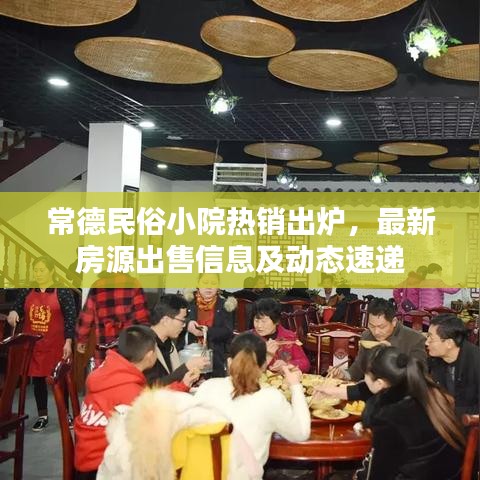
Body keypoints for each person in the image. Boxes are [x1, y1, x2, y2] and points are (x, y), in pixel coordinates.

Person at [194, 332, 310, 477]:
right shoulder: (270, 397)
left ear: (229, 362)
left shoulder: (207, 387)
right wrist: (295, 386)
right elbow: (301, 433)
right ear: (264, 365)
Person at [351, 346, 464, 480]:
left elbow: (377, 474)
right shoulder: (433, 394)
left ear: (380, 383)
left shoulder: (389, 418)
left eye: (364, 375)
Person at [74, 325, 157, 480]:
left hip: (84, 461)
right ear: (150, 355)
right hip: (102, 469)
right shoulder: (130, 391)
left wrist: (182, 385)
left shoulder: (106, 372)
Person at [7, 256, 77, 432]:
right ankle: (42, 416)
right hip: (35, 345)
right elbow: (17, 307)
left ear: (51, 271)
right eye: (36, 270)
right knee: (38, 380)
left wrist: (68, 342)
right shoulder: (28, 289)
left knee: (60, 380)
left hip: (56, 344)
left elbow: (70, 319)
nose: (38, 274)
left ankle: (66, 413)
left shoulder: (62, 291)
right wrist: (14, 312)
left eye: (42, 270)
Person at [330, 298, 426, 382]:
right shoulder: (367, 336)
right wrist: (343, 375)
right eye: (372, 326)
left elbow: (418, 377)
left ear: (394, 322)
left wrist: (392, 354)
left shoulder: (415, 339)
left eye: (381, 327)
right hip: (371, 390)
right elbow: (358, 369)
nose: (376, 332)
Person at [76, 272, 150, 367]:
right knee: (126, 375)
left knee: (105, 374)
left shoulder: (97, 286)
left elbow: (86, 317)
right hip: (128, 350)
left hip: (104, 352)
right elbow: (143, 320)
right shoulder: (134, 285)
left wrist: (81, 339)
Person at [143, 294, 209, 390]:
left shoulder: (169, 344)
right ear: (166, 320)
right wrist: (186, 367)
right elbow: (151, 387)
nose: (184, 325)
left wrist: (191, 379)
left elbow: (172, 378)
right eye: (182, 320)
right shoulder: (145, 346)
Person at [181, 273, 236, 377]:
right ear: (198, 284)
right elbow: (172, 321)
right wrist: (187, 325)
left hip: (215, 356)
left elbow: (228, 331)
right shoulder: (187, 302)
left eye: (213, 283)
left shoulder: (226, 305)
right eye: (205, 282)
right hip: (189, 354)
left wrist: (207, 331)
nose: (209, 287)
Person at [426, 313, 479, 415]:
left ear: (449, 343)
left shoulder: (475, 362)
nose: (427, 342)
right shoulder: (435, 360)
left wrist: (448, 412)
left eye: (431, 339)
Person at [250, 298, 310, 373]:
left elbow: (305, 363)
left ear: (276, 321)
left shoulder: (289, 337)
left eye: (264, 321)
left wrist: (287, 364)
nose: (259, 326)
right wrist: (267, 356)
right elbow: (243, 372)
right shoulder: (248, 339)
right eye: (256, 320)